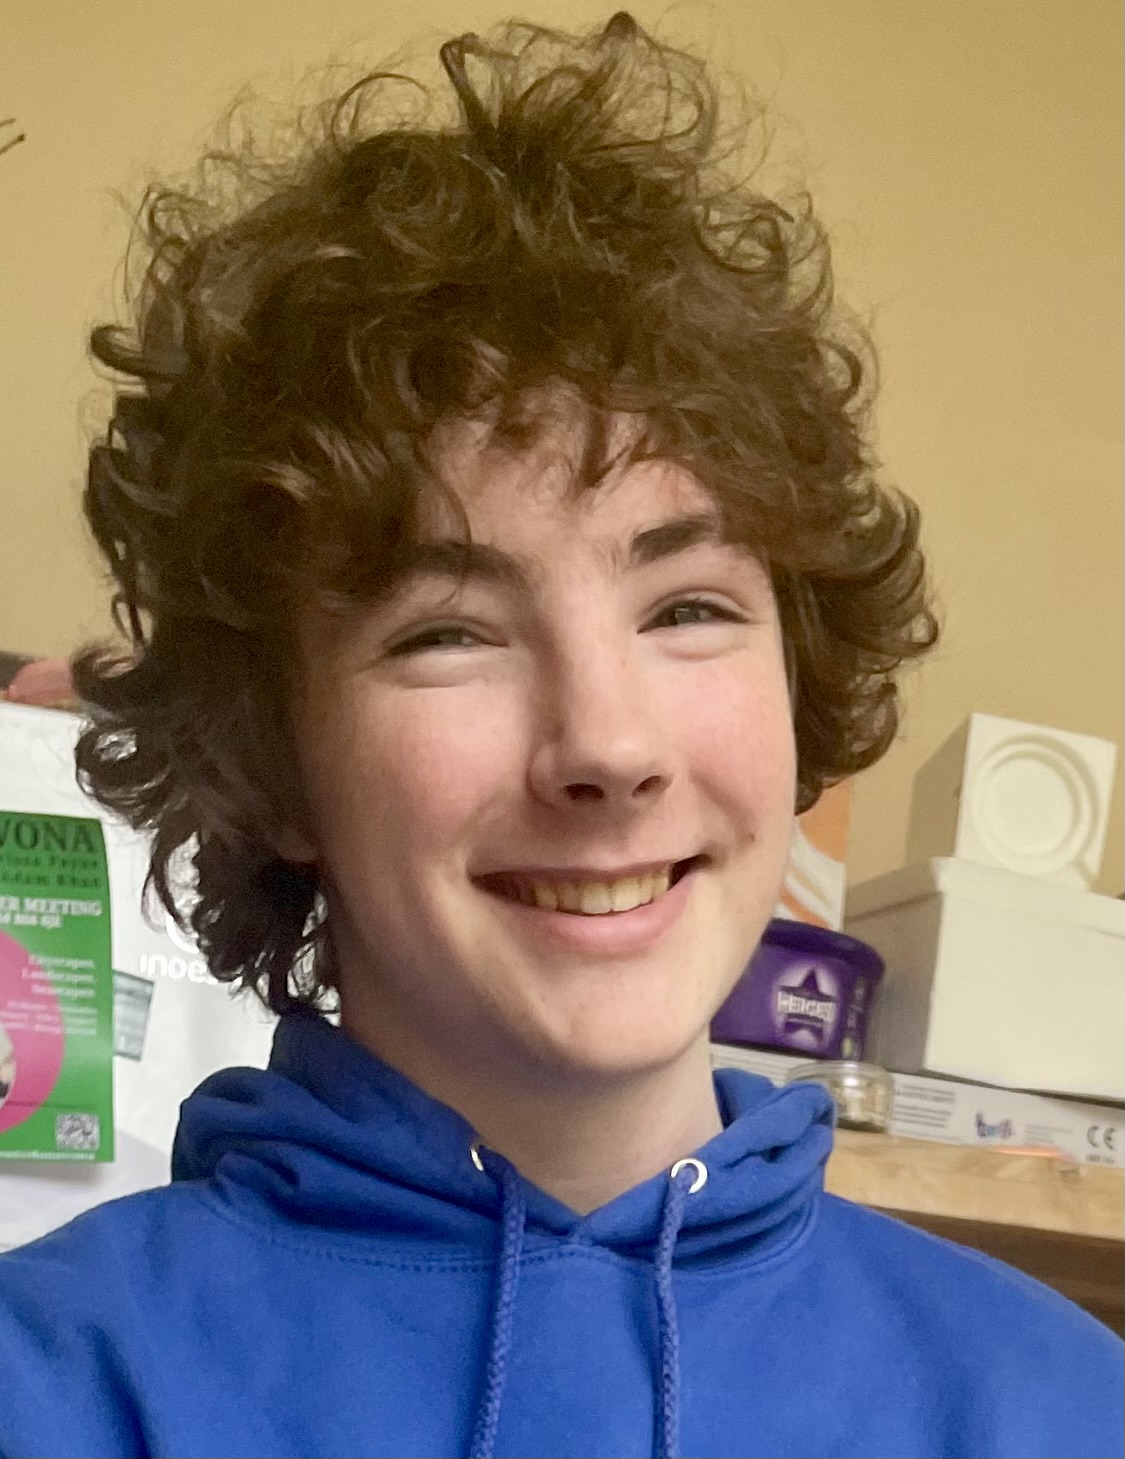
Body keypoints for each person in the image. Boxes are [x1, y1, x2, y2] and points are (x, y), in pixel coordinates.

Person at [0, 14, 1120, 1458]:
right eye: (448, 633)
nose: (607, 743)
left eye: (688, 608)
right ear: (273, 763)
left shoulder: (1060, 1404)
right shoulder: (52, 1385)